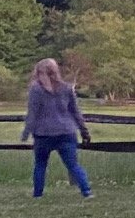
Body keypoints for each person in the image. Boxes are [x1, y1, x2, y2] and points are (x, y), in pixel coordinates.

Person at [21, 59, 93, 200]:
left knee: (40, 164)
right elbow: (75, 112)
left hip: (43, 133)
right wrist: (84, 131)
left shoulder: (36, 90)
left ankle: (38, 194)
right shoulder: (66, 88)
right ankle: (86, 191)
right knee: (73, 165)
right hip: (66, 131)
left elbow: (32, 113)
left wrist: (26, 133)